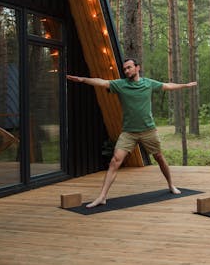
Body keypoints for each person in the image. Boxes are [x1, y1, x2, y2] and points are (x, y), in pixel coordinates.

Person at [67, 58, 197, 208]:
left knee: (159, 157)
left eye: (129, 68)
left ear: (137, 68)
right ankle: (102, 197)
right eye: (125, 69)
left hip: (148, 130)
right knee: (115, 161)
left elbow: (168, 85)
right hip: (128, 132)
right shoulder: (120, 85)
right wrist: (83, 79)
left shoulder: (148, 83)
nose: (127, 71)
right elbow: (102, 82)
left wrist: (185, 85)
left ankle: (171, 185)